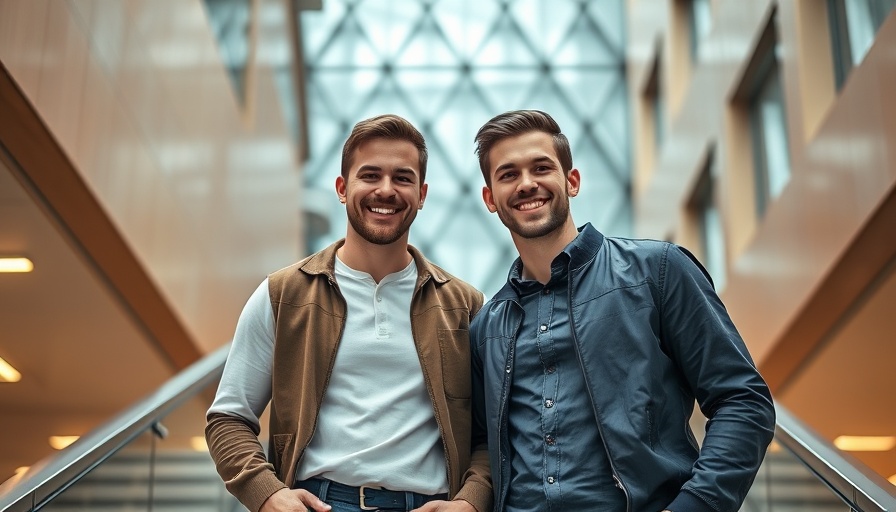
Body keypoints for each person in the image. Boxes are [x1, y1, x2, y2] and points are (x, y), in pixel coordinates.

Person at [469, 110, 775, 512]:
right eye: (508, 174)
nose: (527, 184)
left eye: (541, 168)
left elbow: (742, 399)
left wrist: (696, 505)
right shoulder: (487, 326)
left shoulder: (658, 271)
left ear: (571, 181)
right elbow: (484, 446)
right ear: (491, 198)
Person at [206, 114, 491, 512]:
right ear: (342, 187)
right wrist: (267, 495)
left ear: (422, 194)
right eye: (370, 175)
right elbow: (228, 419)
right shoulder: (282, 294)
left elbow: (491, 434)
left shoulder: (465, 305)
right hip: (320, 502)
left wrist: (471, 502)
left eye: (403, 178)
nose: (386, 190)